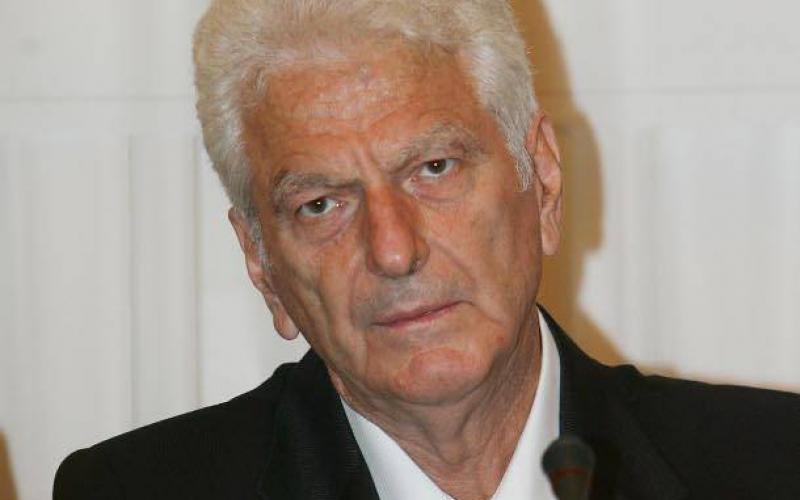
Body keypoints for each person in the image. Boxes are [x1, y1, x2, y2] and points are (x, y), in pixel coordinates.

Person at [54, 1, 800, 499]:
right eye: (321, 204)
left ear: (541, 182)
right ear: (262, 265)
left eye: (434, 169)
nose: (393, 250)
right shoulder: (132, 491)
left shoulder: (774, 467)